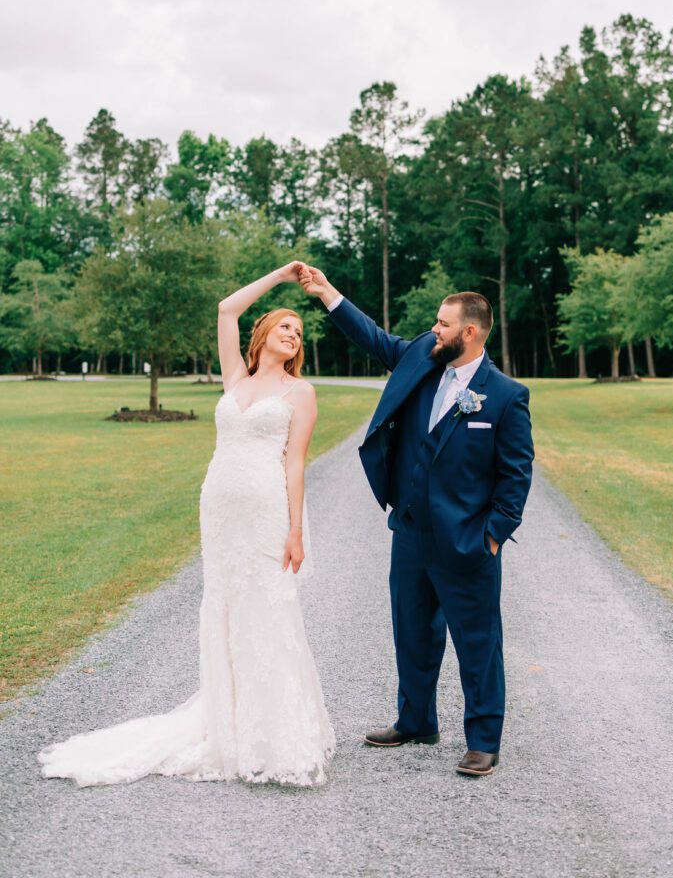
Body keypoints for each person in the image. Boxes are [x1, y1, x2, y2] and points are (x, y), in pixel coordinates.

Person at [38, 262, 335, 788]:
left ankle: (275, 730)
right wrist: (280, 277)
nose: (293, 335)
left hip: (265, 509)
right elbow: (226, 308)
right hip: (218, 506)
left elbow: (294, 463)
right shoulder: (235, 378)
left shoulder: (301, 392)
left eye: (299, 332)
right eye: (285, 326)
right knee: (223, 607)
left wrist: (295, 530)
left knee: (268, 606)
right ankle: (228, 724)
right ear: (264, 333)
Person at [299, 264, 533, 776]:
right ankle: (416, 721)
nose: (434, 331)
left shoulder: (507, 396)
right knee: (412, 632)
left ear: (469, 332)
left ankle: (483, 740)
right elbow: (374, 338)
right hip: (409, 533)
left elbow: (516, 478)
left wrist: (492, 537)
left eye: (443, 324)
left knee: (477, 643)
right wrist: (326, 293)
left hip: (467, 542)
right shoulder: (420, 360)